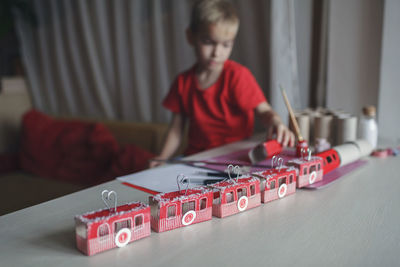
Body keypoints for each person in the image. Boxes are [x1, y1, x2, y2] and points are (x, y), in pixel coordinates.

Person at [150, 0, 294, 168]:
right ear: (190, 37)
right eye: (208, 42)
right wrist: (161, 157)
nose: (217, 53)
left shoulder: (237, 76)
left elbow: (264, 111)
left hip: (235, 160)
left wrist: (276, 121)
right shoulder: (183, 82)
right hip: (196, 160)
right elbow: (176, 130)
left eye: (226, 45)